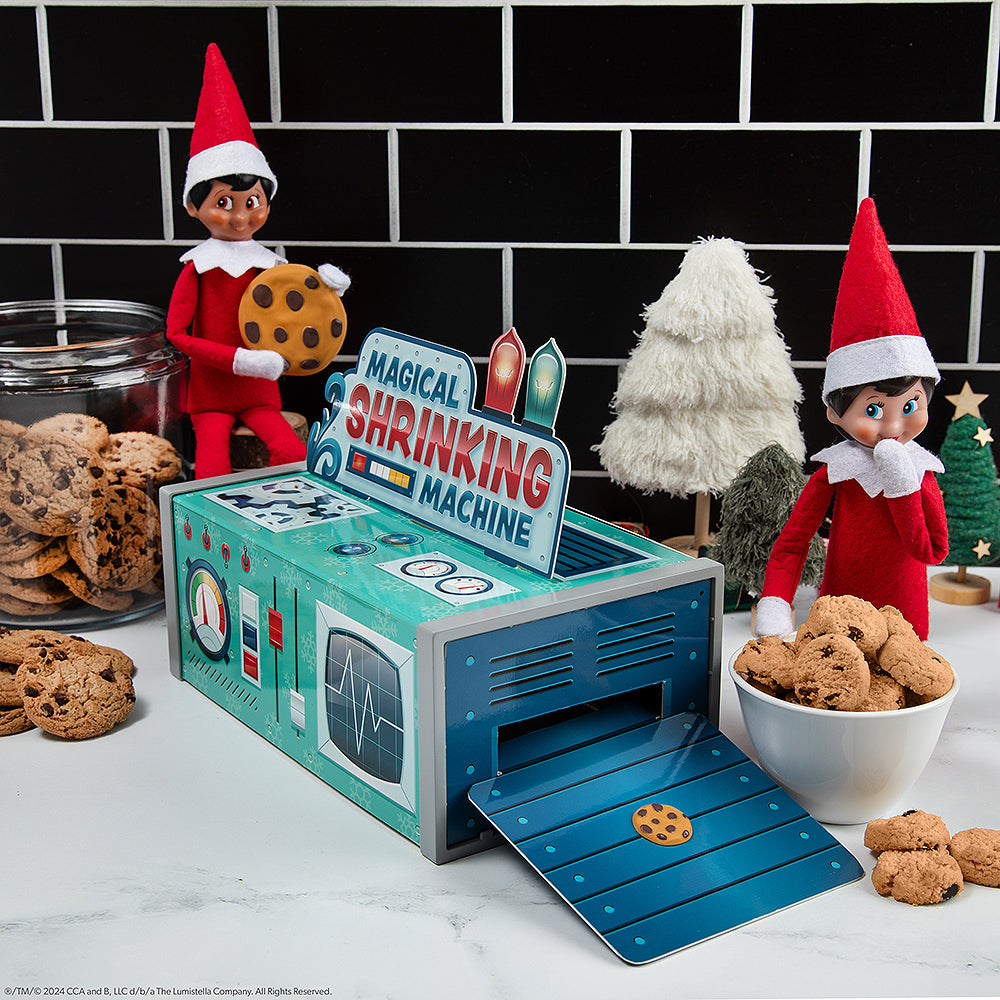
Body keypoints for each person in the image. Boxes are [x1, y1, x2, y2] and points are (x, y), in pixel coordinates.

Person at [755, 198, 948, 641]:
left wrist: (902, 483)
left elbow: (930, 550)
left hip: (908, 625)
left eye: (911, 405)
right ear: (834, 412)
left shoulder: (920, 472)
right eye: (874, 409)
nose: (894, 428)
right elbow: (792, 544)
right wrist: (776, 603)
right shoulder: (835, 472)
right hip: (840, 619)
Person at [166, 44, 347, 479]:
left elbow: (294, 304)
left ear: (268, 199)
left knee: (290, 452)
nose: (241, 216)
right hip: (210, 396)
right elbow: (177, 334)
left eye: (253, 201)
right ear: (193, 207)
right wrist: (240, 361)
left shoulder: (270, 264)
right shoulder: (198, 268)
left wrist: (324, 291)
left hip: (261, 394)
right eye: (224, 202)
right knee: (211, 467)